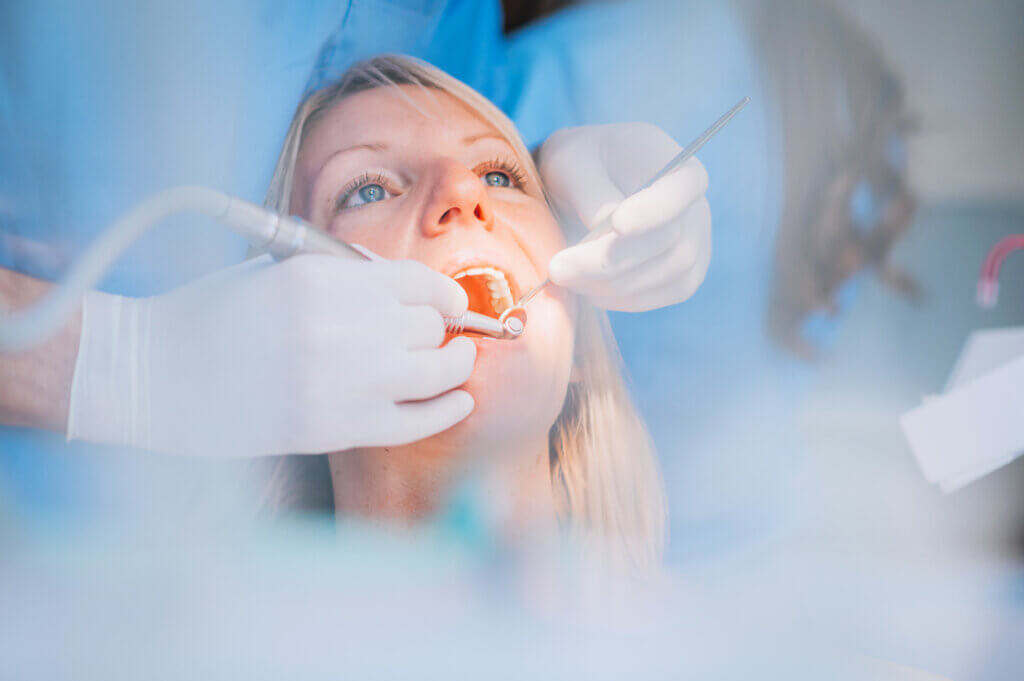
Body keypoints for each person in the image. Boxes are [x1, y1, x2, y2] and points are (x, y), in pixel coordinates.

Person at [251, 55, 666, 568]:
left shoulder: (707, 641)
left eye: (497, 176)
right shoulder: (215, 640)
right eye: (369, 191)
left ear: (577, 337)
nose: (462, 189)